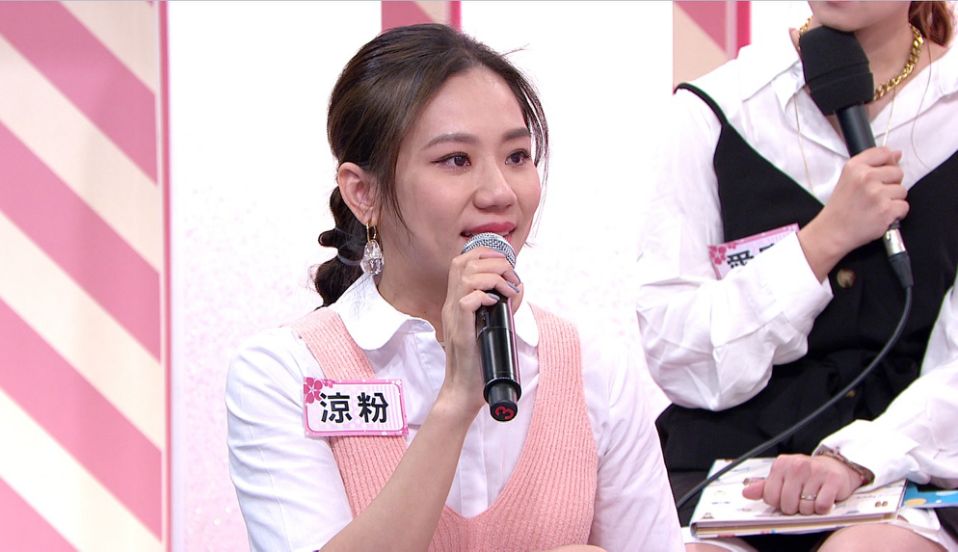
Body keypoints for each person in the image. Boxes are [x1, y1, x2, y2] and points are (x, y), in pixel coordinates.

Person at [227, 23, 682, 552]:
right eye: (456, 160)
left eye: (517, 156)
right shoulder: (282, 373)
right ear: (363, 193)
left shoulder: (594, 370)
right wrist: (457, 400)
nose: (499, 192)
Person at [635, 2, 958, 551]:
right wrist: (822, 241)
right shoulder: (718, 108)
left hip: (913, 465)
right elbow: (679, 355)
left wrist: (857, 458)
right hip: (734, 468)